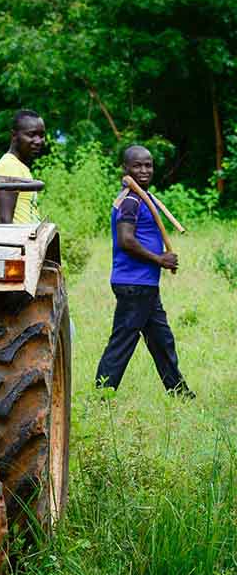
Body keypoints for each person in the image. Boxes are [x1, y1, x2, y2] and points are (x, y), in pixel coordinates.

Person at [95, 145, 194, 397]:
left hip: (144, 284)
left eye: (148, 165)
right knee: (123, 341)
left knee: (162, 340)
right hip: (134, 283)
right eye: (137, 165)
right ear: (125, 168)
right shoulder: (129, 200)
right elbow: (126, 240)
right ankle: (102, 394)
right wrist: (159, 259)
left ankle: (179, 392)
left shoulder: (140, 197)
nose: (144, 170)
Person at [0, 109, 46, 224]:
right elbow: (4, 221)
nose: (38, 141)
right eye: (32, 134)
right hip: (18, 241)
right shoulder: (8, 166)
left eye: (41, 135)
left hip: (28, 241)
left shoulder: (20, 166)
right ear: (14, 135)